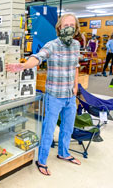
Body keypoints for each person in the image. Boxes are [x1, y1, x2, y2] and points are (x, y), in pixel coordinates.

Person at [7, 14, 81, 176]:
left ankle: (63, 153)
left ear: (76, 28)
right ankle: (42, 160)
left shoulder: (76, 45)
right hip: (54, 96)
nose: (68, 27)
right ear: (59, 27)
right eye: (65, 24)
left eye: (72, 24)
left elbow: (76, 66)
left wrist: (76, 87)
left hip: (70, 95)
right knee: (48, 130)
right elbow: (39, 57)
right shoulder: (52, 45)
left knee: (67, 128)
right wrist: (24, 65)